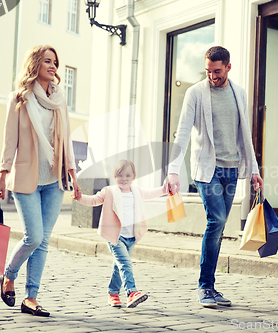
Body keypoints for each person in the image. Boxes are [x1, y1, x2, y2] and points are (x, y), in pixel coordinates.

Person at [165, 46, 263, 308]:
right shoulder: (195, 93)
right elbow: (182, 131)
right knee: (217, 219)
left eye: (217, 71)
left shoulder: (239, 93)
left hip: (232, 170)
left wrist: (254, 169)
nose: (212, 76)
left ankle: (210, 286)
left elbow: (245, 136)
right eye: (208, 71)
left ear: (228, 67)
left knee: (218, 228)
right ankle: (205, 287)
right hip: (207, 169)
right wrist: (173, 169)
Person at [0, 45, 81, 317]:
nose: (53, 66)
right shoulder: (18, 98)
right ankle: (9, 275)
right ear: (35, 64)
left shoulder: (59, 99)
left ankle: (31, 297)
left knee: (43, 241)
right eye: (47, 61)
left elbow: (65, 139)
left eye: (55, 62)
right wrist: (2, 175)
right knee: (34, 236)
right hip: (26, 178)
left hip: (54, 179)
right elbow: (10, 140)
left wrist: (73, 174)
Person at [73, 159, 167, 308]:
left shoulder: (137, 191)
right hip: (115, 236)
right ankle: (131, 292)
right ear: (114, 176)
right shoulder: (109, 191)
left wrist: (164, 189)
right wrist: (80, 197)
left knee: (119, 266)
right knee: (125, 263)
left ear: (134, 177)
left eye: (128, 175)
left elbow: (151, 193)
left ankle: (113, 293)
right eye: (120, 175)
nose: (124, 178)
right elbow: (94, 200)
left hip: (131, 236)